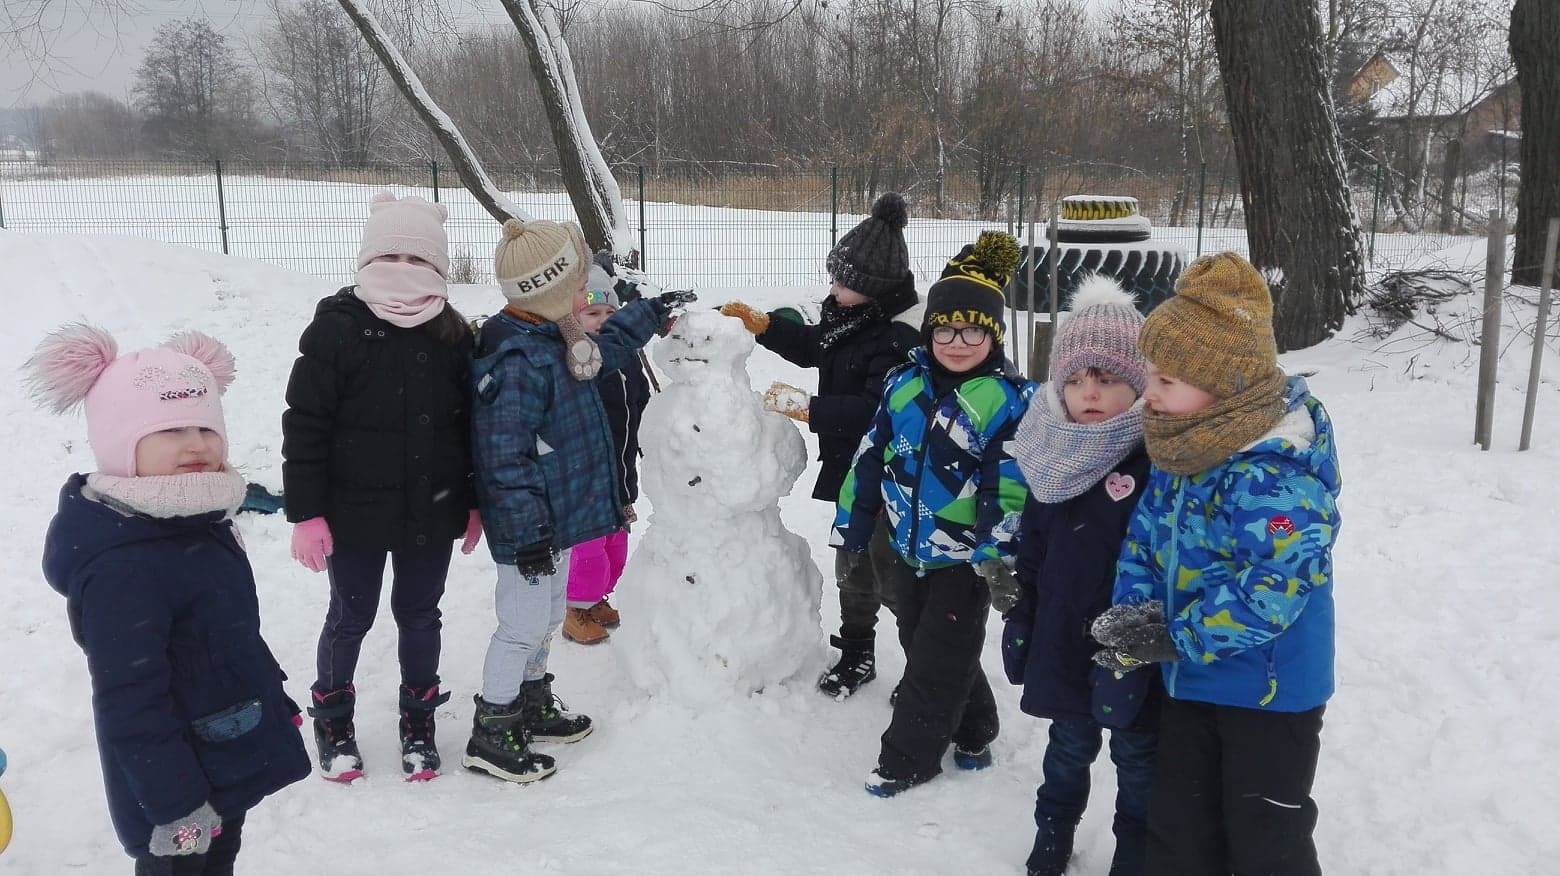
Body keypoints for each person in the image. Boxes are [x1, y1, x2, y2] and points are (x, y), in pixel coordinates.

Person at [1091, 252, 1340, 876]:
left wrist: (1179, 635)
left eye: (1166, 380)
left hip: (1268, 694)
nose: (1148, 391)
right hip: (1190, 681)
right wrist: (1136, 613)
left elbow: (1274, 588)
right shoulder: (1184, 446)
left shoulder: (1275, 474)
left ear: (1224, 384)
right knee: (1180, 827)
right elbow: (1145, 540)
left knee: (1264, 837)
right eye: (1151, 373)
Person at [29, 325, 310, 874]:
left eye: (206, 426)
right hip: (176, 794)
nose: (196, 443)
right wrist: (174, 804)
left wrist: (273, 704)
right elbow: (128, 703)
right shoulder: (123, 564)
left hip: (224, 754)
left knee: (220, 859)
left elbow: (228, 640)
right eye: (171, 428)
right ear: (118, 443)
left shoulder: (198, 522)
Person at [465, 218, 694, 784]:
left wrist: (652, 311)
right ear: (548, 289)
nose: (585, 293)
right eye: (576, 283)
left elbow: (608, 346)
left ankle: (534, 700)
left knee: (544, 618)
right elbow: (503, 457)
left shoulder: (556, 335)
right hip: (532, 530)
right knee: (519, 625)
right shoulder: (517, 360)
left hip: (557, 519)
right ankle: (492, 728)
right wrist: (528, 533)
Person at [281, 192, 481, 783]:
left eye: (418, 260)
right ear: (367, 260)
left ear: (440, 267)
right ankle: (333, 716)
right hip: (353, 513)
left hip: (432, 510)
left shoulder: (452, 334)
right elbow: (305, 423)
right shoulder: (336, 331)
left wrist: (472, 500)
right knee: (351, 614)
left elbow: (469, 425)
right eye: (391, 255)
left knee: (420, 615)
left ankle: (417, 719)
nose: (404, 271)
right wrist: (306, 513)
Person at [833, 230, 1036, 798]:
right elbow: (869, 461)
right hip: (904, 546)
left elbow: (1009, 488)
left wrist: (996, 554)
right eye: (945, 328)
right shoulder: (904, 385)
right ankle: (975, 728)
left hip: (966, 561)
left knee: (933, 664)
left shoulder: (1008, 402)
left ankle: (907, 759)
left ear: (993, 334)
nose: (957, 340)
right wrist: (851, 536)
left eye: (973, 329)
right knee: (924, 643)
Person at [720, 192, 921, 698]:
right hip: (852, 476)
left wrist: (811, 409)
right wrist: (767, 328)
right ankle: (857, 651)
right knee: (851, 566)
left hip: (890, 479)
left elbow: (883, 410)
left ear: (872, 289)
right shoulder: (849, 315)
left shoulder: (898, 336)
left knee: (892, 577)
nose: (832, 288)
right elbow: (816, 348)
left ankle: (926, 666)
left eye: (842, 281)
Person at [1000, 277, 1159, 876]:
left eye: (1108, 379)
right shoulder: (1050, 455)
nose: (1089, 393)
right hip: (1065, 634)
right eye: (1076, 379)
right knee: (1067, 748)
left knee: (1139, 755)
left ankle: (1137, 849)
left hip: (1130, 644)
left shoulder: (1152, 460)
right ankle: (1053, 834)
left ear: (1139, 385)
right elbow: (1034, 550)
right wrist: (1025, 611)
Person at [561, 260, 653, 644]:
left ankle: (595, 597)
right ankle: (574, 608)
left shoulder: (625, 355)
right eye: (591, 312)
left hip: (620, 468)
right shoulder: (572, 360)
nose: (601, 320)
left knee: (616, 544)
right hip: (585, 476)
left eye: (608, 312)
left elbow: (641, 398)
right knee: (589, 549)